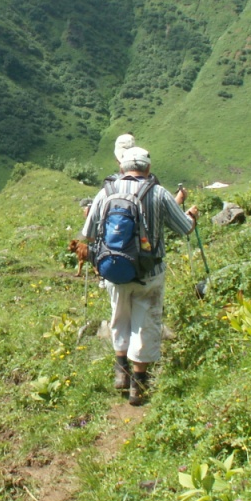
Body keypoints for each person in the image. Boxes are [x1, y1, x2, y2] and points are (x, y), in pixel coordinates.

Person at [80, 146, 198, 406]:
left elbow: (88, 234)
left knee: (118, 317)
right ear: (148, 168)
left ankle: (120, 374)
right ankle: (138, 384)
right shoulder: (158, 193)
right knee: (145, 322)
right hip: (149, 273)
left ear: (122, 168)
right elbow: (185, 228)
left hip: (114, 271)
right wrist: (192, 216)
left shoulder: (106, 192)